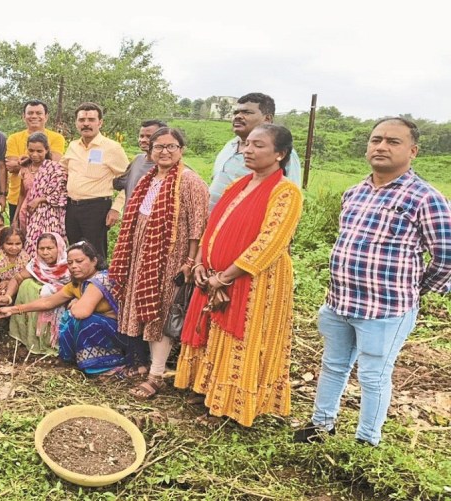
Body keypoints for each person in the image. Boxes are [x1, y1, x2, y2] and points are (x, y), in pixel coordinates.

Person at [295, 118, 451, 446]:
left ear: (413, 151)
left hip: (386, 310)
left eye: (393, 142)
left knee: (373, 376)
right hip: (340, 302)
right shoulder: (355, 193)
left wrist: (416, 289)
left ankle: (367, 441)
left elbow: (446, 256)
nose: (381, 146)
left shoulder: (425, 198)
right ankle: (321, 426)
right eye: (376, 139)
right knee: (333, 366)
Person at [175, 124, 303, 427]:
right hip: (214, 275)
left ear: (280, 154)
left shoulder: (286, 192)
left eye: (259, 145)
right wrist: (202, 264)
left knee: (242, 339)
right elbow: (213, 225)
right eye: (247, 145)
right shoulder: (239, 184)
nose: (248, 150)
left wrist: (226, 276)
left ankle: (233, 406)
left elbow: (270, 242)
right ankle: (208, 392)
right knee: (212, 334)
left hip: (255, 281)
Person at [110, 127, 209, 399]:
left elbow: (198, 228)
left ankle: (156, 375)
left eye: (171, 147)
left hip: (171, 259)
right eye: (159, 147)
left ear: (181, 149)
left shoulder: (190, 182)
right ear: (150, 151)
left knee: (161, 314)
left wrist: (189, 261)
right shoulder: (148, 179)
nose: (164, 152)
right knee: (147, 310)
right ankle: (146, 366)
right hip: (142, 255)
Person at [0, 240, 127, 375]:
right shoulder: (77, 284)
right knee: (71, 318)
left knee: (82, 320)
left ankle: (106, 365)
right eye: (70, 263)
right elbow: (48, 302)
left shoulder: (100, 279)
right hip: (105, 330)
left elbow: (81, 312)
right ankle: (79, 360)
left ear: (94, 261)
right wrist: (12, 309)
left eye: (79, 261)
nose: (74, 266)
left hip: (120, 334)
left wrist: (76, 302)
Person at [209, 93, 301, 211]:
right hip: (214, 222)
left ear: (267, 119)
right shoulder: (230, 145)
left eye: (247, 112)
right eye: (236, 112)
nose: (238, 116)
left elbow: (290, 199)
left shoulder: (280, 152)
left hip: (246, 224)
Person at [61, 102, 129, 258]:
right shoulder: (73, 146)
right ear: (76, 123)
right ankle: (77, 282)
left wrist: (116, 208)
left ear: (100, 122)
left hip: (96, 208)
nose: (86, 123)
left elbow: (129, 181)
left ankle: (97, 282)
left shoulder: (112, 148)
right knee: (74, 252)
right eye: (82, 120)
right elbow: (61, 169)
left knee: (95, 254)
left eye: (91, 119)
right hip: (71, 207)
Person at [0, 232, 70, 356]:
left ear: (59, 248)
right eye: (41, 248)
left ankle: (56, 342)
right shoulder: (36, 264)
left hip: (64, 305)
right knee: (27, 284)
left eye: (50, 248)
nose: (45, 252)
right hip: (39, 306)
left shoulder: (70, 265)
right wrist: (8, 296)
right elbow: (17, 278)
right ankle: (31, 340)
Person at [5, 100, 66, 222]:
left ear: (46, 116)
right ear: (24, 116)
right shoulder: (14, 138)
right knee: (18, 237)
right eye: (30, 113)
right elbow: (10, 166)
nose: (34, 116)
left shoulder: (56, 138)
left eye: (39, 113)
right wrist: (37, 160)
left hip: (46, 198)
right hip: (17, 197)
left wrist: (24, 161)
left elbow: (54, 163)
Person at [14, 133, 67, 259]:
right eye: (31, 150)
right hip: (26, 214)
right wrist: (15, 218)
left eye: (39, 151)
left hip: (48, 215)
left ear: (47, 150)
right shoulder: (25, 168)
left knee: (46, 247)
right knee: (29, 246)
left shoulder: (55, 168)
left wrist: (40, 199)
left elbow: (62, 194)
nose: (34, 154)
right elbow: (22, 194)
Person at [113, 120, 166, 203]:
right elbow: (119, 183)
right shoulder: (137, 160)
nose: (143, 140)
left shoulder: (169, 167)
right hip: (129, 215)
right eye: (141, 136)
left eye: (149, 136)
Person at [0, 226, 30, 294]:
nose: (14, 247)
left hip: (19, 291)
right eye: (9, 244)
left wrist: (8, 283)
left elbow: (25, 280)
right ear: (2, 243)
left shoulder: (25, 257)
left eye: (18, 244)